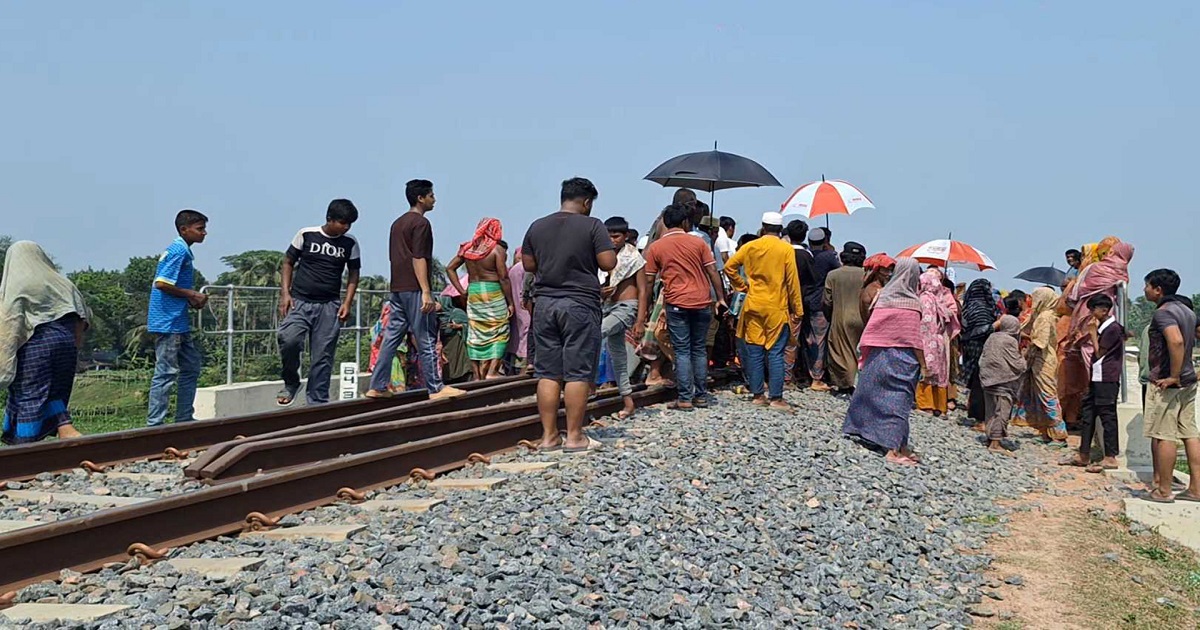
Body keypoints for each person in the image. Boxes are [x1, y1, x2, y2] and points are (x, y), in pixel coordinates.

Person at [521, 177, 616, 452]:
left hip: (546, 304)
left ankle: (549, 436)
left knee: (548, 372)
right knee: (577, 372)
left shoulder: (537, 226)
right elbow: (608, 262)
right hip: (580, 304)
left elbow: (529, 264)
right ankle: (575, 437)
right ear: (587, 202)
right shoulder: (593, 225)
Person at [367, 179, 465, 400]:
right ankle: (435, 387)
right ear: (421, 198)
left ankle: (378, 384)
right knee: (427, 337)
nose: (434, 199)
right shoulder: (421, 224)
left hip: (397, 287)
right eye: (431, 195)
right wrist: (426, 291)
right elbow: (418, 257)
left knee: (391, 337)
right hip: (414, 288)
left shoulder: (397, 223)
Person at [0, 242, 89, 444]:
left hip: (37, 345)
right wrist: (73, 347)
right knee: (55, 392)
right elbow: (82, 318)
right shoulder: (63, 283)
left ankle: (25, 446)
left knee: (29, 394)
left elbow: (11, 323)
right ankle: (67, 430)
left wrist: (6, 360)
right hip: (67, 342)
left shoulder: (19, 284)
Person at [842, 258, 928, 466]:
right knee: (899, 403)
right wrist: (924, 364)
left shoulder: (882, 297)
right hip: (903, 359)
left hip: (877, 355)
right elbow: (913, 338)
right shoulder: (912, 303)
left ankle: (894, 441)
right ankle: (893, 450)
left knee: (871, 396)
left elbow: (872, 326)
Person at [276, 199, 361, 406]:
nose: (346, 227)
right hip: (300, 301)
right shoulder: (306, 234)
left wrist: (348, 302)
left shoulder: (350, 243)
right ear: (329, 219)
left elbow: (353, 273)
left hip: (329, 305)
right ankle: (291, 382)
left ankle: (317, 401)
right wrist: (285, 294)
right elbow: (288, 262)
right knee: (289, 339)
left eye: (349, 224)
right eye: (342, 222)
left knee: (322, 356)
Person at [642, 203, 726, 411]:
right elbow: (713, 271)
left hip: (676, 303)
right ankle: (701, 396)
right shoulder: (698, 244)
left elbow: (649, 281)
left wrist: (648, 307)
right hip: (701, 302)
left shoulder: (656, 247)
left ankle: (685, 398)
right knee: (698, 349)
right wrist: (720, 298)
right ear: (685, 222)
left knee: (682, 350)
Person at [724, 212, 802, 410]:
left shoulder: (751, 246)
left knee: (755, 351)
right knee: (776, 353)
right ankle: (776, 397)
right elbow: (792, 281)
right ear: (780, 229)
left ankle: (758, 395)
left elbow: (729, 266)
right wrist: (798, 309)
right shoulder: (785, 249)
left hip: (753, 304)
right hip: (776, 306)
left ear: (763, 226)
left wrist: (742, 286)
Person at [1142, 269, 1200, 503]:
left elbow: (1175, 340)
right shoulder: (1188, 311)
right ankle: (1195, 488)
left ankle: (1163, 490)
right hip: (1189, 381)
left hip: (1168, 383)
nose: (1144, 290)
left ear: (1158, 289)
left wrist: (1173, 375)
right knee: (1190, 434)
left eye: (1146, 285)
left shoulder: (1163, 313)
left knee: (1164, 434)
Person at [146, 209, 209, 426]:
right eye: (200, 229)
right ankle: (155, 424)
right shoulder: (177, 251)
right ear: (184, 229)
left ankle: (183, 418)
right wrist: (191, 294)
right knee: (166, 372)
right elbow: (162, 283)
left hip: (177, 321)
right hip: (168, 322)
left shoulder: (182, 250)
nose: (204, 233)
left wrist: (188, 299)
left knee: (191, 366)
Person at [1062, 294, 1125, 469]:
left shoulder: (1111, 329)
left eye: (1093, 309)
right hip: (1098, 376)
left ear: (1104, 310)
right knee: (1088, 413)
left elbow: (1099, 353)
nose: (1091, 313)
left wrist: (1092, 334)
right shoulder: (1107, 328)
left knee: (1107, 415)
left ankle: (1111, 456)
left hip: (1107, 377)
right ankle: (1084, 454)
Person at [447, 217, 514, 380]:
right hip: (492, 291)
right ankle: (492, 372)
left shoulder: (468, 248)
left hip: (474, 293)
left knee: (476, 333)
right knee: (500, 331)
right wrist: (510, 302)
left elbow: (450, 268)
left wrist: (461, 291)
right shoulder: (497, 250)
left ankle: (477, 376)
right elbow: (504, 277)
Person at [599, 216, 647, 419]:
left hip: (626, 307)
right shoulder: (603, 257)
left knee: (595, 334)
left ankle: (585, 387)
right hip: (608, 306)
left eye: (616, 236)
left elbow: (643, 290)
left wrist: (639, 320)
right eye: (609, 236)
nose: (612, 240)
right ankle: (628, 402)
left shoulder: (634, 258)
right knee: (618, 357)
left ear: (626, 236)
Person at [1016, 287, 1069, 446]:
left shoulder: (1045, 317)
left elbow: (1040, 341)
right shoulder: (1043, 315)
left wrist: (1028, 345)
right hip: (1040, 360)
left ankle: (1059, 434)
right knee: (1038, 395)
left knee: (1047, 395)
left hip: (1043, 361)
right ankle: (1046, 431)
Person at [823, 242, 867, 394]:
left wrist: (829, 315)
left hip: (841, 316)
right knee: (858, 351)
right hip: (863, 317)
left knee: (841, 350)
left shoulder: (833, 275)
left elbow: (827, 300)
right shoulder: (866, 275)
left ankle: (846, 383)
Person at [915, 268, 960, 416]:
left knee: (928, 370)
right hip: (940, 339)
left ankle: (925, 404)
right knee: (939, 373)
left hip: (928, 338)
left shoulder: (925, 299)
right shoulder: (939, 299)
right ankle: (939, 405)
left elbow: (926, 323)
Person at [979, 315, 1026, 455]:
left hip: (987, 378)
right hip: (1003, 381)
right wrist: (1024, 356)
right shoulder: (1010, 341)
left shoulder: (992, 337)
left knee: (991, 410)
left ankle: (990, 436)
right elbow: (1018, 364)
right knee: (1002, 412)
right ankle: (995, 442)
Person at [804, 227, 841, 391]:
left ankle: (804, 372)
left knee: (806, 339)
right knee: (819, 341)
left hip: (803, 300)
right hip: (820, 303)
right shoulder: (828, 257)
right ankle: (817, 378)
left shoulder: (805, 255)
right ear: (825, 241)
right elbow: (839, 272)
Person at [959, 279, 998, 425]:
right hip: (981, 346)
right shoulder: (982, 307)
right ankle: (980, 415)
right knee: (980, 380)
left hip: (969, 346)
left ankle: (976, 412)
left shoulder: (969, 306)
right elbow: (983, 329)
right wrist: (995, 326)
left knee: (975, 378)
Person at [784, 220, 815, 387]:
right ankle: (787, 376)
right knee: (792, 341)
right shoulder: (806, 256)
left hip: (780, 301)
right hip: (799, 303)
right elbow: (812, 280)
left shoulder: (783, 252)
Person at [506, 247, 531, 372]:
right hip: (525, 307)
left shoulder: (511, 270)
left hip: (515, 308)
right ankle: (523, 370)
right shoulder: (526, 268)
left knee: (517, 336)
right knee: (526, 336)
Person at [859, 253, 895, 324]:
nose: (889, 274)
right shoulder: (875, 291)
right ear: (877, 271)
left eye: (891, 271)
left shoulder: (867, 288)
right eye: (886, 270)